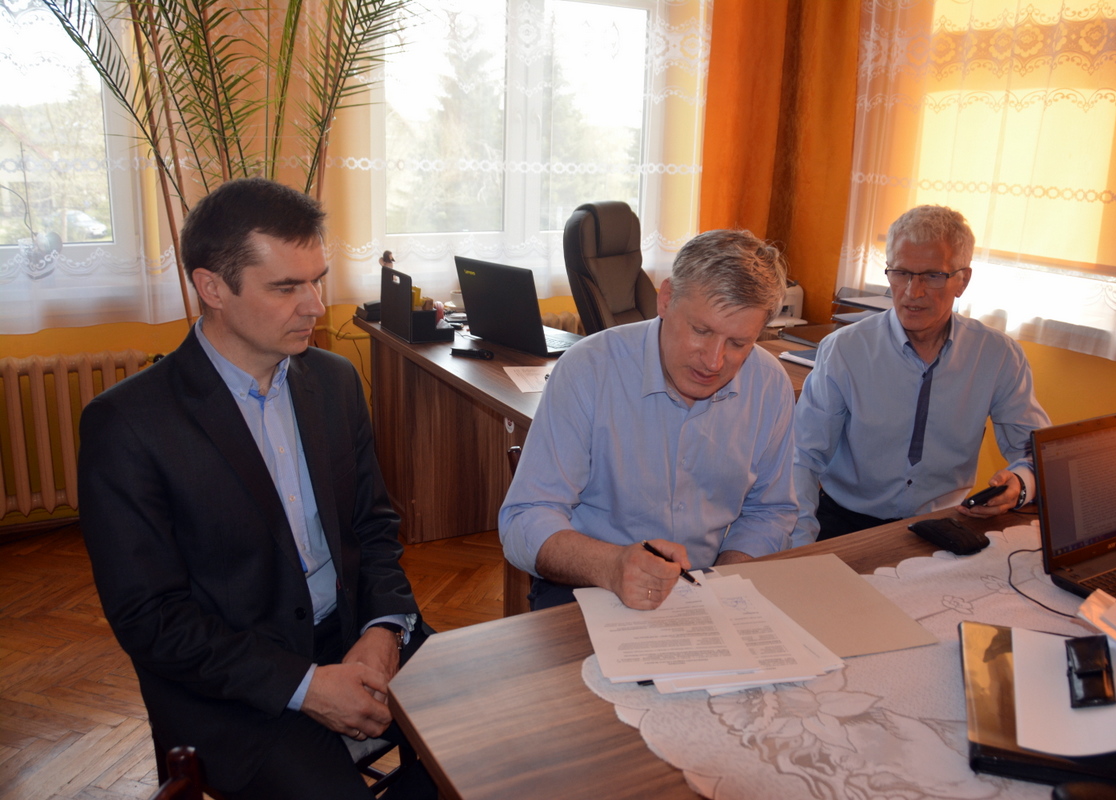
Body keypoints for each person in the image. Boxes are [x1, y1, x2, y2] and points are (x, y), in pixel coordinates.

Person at [77, 178, 434, 800]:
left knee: (491, 746)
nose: (315, 306)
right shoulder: (128, 424)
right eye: (286, 287)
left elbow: (373, 526)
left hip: (356, 629)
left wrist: (383, 630)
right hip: (233, 682)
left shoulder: (335, 381)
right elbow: (150, 617)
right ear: (212, 287)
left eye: (317, 280)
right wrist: (305, 685)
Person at [499, 229, 798, 611]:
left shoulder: (769, 384)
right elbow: (524, 517)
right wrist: (612, 566)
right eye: (701, 331)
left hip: (706, 586)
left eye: (738, 343)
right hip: (590, 581)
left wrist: (723, 583)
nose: (714, 362)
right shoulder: (588, 370)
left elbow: (769, 511)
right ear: (666, 299)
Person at [792, 204, 1051, 544]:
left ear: (962, 280)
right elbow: (803, 456)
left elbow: (1039, 454)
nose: (912, 292)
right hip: (845, 521)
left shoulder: (997, 355)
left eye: (932, 276)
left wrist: (1020, 484)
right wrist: (799, 543)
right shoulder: (844, 350)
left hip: (946, 523)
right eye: (901, 273)